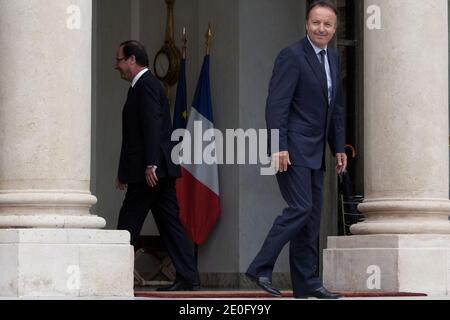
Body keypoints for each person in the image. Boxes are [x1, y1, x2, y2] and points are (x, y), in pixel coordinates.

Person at [246, 1, 347, 299]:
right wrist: (279, 146)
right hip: (292, 150)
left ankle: (307, 284)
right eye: (316, 22)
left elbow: (336, 107)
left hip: (317, 152)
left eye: (327, 24)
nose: (321, 28)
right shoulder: (291, 56)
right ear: (306, 24)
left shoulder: (334, 59)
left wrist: (338, 146)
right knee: (300, 208)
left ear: (335, 28)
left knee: (311, 219)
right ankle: (260, 267)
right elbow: (276, 105)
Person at [114, 40, 200, 291]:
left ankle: (114, 276)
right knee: (170, 224)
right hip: (153, 170)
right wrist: (123, 171)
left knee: (128, 223)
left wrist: (151, 164)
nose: (116, 66)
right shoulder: (139, 86)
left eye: (119, 60)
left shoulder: (147, 85)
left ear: (132, 59)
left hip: (150, 172)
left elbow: (152, 126)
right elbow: (134, 134)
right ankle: (188, 277)